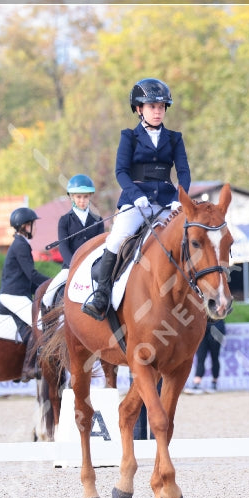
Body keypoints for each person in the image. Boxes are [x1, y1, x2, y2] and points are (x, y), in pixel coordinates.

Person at [82, 77, 191, 320]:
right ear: (139, 109)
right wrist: (136, 195)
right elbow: (121, 171)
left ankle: (193, 293)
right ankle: (101, 294)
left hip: (166, 202)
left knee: (186, 238)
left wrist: (178, 199)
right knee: (118, 238)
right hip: (136, 200)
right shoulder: (129, 136)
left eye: (162, 107)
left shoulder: (174, 138)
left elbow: (183, 172)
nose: (158, 111)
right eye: (153, 107)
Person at [0, 207, 50, 380]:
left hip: (18, 293)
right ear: (25, 226)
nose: (35, 228)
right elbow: (31, 275)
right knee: (40, 324)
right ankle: (28, 367)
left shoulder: (21, 244)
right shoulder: (20, 245)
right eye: (33, 224)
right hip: (13, 295)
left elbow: (28, 279)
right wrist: (53, 283)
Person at [46, 174, 104, 298]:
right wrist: (74, 265)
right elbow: (63, 247)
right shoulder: (64, 220)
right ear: (71, 197)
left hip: (93, 268)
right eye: (78, 197)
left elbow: (100, 247)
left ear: (90, 197)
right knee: (48, 295)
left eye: (85, 197)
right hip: (70, 267)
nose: (82, 201)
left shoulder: (98, 220)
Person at [186, 318, 226, 394]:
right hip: (202, 327)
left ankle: (214, 383)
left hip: (217, 327)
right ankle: (197, 383)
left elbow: (223, 311)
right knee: (200, 357)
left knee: (215, 356)